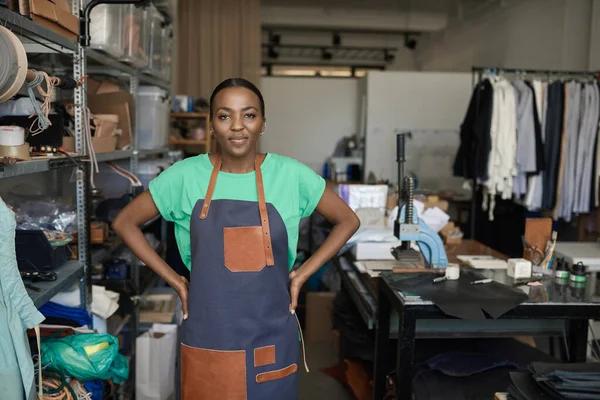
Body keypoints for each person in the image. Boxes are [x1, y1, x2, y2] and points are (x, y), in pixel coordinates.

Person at [113, 77, 360, 400]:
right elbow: (124, 222)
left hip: (269, 336)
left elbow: (348, 220)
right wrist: (175, 279)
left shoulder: (291, 175)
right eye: (225, 115)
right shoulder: (185, 176)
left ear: (263, 123)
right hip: (208, 333)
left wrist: (303, 274)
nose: (238, 126)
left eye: (249, 115)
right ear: (212, 125)